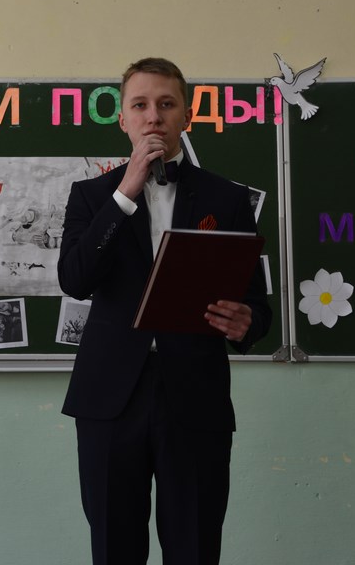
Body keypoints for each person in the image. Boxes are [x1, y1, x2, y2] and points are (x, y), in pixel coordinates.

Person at [58, 57, 271, 565]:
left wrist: (247, 323)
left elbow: (256, 306)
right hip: (109, 399)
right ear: (123, 119)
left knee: (194, 546)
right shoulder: (91, 196)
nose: (153, 116)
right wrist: (125, 193)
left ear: (186, 116)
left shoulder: (229, 198)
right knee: (114, 547)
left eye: (166, 104)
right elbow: (75, 279)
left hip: (195, 397)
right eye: (140, 105)